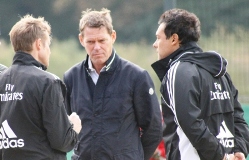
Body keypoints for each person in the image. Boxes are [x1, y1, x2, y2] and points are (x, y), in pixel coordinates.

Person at [63, 8, 162, 160]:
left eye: (102, 40)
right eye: (90, 41)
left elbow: (154, 129)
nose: (96, 47)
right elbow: (67, 126)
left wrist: (135, 157)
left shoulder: (136, 76)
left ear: (113, 36)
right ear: (81, 40)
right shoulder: (71, 77)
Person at [151, 8, 249, 160]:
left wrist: (220, 156)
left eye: (158, 38)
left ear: (174, 39)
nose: (155, 44)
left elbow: (190, 123)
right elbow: (238, 117)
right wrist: (239, 151)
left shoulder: (177, 71)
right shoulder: (220, 72)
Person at [0, 14, 81, 160]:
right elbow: (61, 140)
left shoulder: (1, 79)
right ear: (38, 44)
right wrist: (74, 127)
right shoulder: (48, 82)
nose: (49, 51)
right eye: (47, 45)